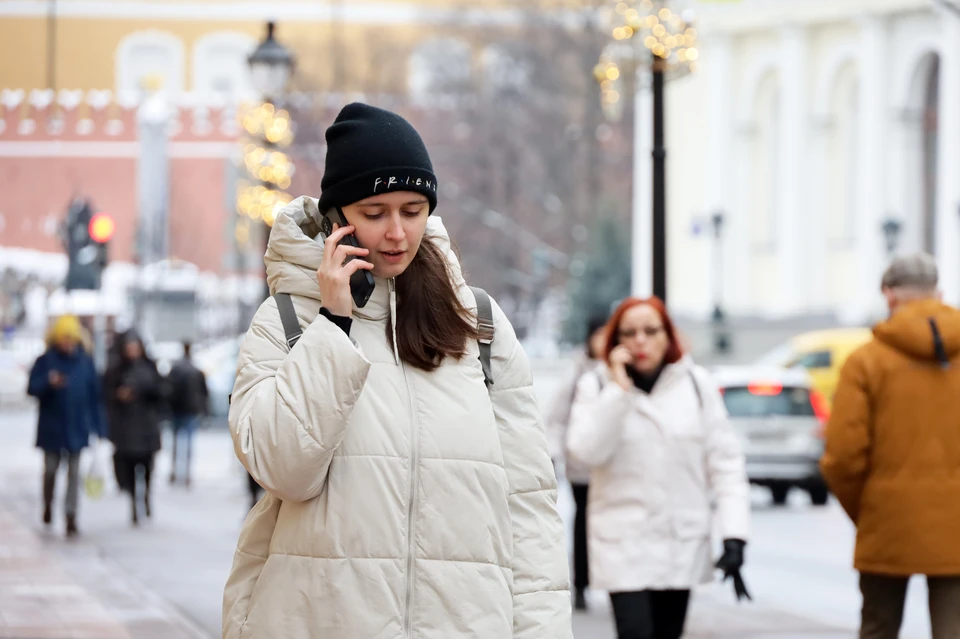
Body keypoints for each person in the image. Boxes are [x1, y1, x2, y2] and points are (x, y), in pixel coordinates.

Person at [222, 103, 571, 639]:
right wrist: (334, 325)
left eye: (412, 211)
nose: (397, 233)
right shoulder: (287, 320)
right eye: (374, 212)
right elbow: (284, 469)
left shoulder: (476, 323)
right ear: (337, 216)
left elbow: (528, 503)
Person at [566, 296, 750, 639]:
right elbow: (585, 452)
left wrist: (734, 535)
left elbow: (726, 464)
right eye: (629, 332)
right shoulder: (598, 385)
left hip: (679, 543)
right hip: (623, 545)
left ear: (668, 336)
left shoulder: (696, 385)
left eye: (651, 331)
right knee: (635, 631)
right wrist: (619, 391)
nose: (640, 341)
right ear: (615, 340)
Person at [821, 253, 960, 639]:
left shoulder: (866, 362)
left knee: (878, 628)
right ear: (939, 294)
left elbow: (842, 457)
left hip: (886, 521)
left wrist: (867, 510)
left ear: (889, 295)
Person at [546, 312, 609, 611]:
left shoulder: (620, 368)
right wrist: (555, 453)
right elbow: (557, 416)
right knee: (583, 523)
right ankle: (581, 584)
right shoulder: (578, 370)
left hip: (612, 467)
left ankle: (612, 582)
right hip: (582, 466)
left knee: (611, 525)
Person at [27, 315, 106, 537]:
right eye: (63, 338)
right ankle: (48, 504)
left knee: (74, 473)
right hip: (52, 427)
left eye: (70, 338)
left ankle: (71, 516)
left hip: (77, 427)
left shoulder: (85, 362)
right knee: (50, 470)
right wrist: (49, 383)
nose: (67, 343)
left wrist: (99, 428)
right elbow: (32, 388)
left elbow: (94, 397)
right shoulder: (45, 361)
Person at [103, 330, 165, 525]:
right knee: (128, 468)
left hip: (147, 426)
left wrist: (141, 391)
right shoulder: (117, 370)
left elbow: (161, 391)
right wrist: (119, 396)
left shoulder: (150, 367)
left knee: (147, 467)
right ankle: (133, 503)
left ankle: (145, 496)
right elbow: (106, 396)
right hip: (126, 428)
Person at [166, 341, 208, 487]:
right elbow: (204, 392)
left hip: (177, 410)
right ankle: (188, 474)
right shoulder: (196, 370)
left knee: (175, 444)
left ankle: (174, 471)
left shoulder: (175, 369)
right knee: (189, 444)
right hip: (191, 411)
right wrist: (203, 409)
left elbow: (168, 390)